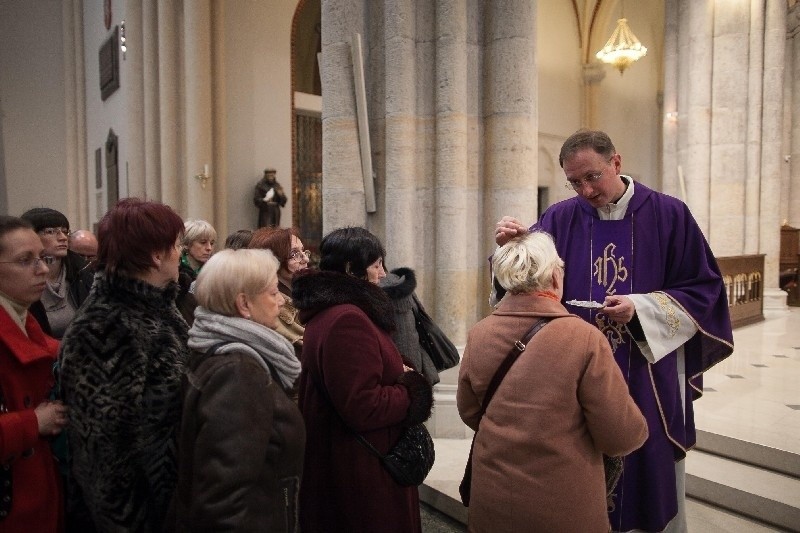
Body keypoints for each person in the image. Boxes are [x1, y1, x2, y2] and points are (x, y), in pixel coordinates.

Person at [494, 129, 734, 532]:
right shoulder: (559, 217)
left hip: (647, 370)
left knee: (648, 454)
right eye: (574, 181)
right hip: (572, 368)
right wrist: (512, 247)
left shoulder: (670, 214)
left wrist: (641, 308)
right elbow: (525, 278)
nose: (585, 190)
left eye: (593, 177)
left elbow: (704, 289)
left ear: (616, 163)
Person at [458, 231, 648, 532]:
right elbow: (621, 435)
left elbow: (470, 412)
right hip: (562, 505)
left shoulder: (479, 333)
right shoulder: (583, 338)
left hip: (493, 499)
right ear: (555, 278)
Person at [59, 198, 189, 531]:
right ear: (156, 255)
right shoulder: (105, 324)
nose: (181, 253)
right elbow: (102, 447)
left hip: (169, 497)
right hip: (139, 511)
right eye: (177, 245)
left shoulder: (157, 306)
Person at [293, 226, 433, 533]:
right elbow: (363, 405)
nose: (383, 274)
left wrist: (400, 369)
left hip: (354, 466)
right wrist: (412, 388)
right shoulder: (347, 319)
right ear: (349, 269)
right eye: (375, 265)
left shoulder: (339, 311)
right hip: (363, 476)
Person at [175, 249, 304, 531]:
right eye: (272, 293)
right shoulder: (239, 373)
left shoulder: (220, 349)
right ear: (244, 304)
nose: (282, 300)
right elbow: (223, 501)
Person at [0, 215, 69, 532]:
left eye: (42, 258)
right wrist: (32, 423)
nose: (42, 269)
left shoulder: (22, 315)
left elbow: (45, 348)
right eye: (25, 261)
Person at [20, 208, 93, 339]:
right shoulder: (21, 277)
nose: (62, 238)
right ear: (31, 236)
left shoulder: (83, 271)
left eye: (65, 232)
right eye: (51, 232)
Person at [248, 227, 310, 358]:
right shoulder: (268, 309)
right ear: (273, 262)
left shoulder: (307, 295)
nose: (305, 259)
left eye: (303, 251)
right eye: (294, 254)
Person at [379, 267, 441, 385]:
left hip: (394, 371)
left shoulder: (376, 289)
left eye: (379, 265)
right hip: (413, 363)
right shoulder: (399, 281)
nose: (381, 274)